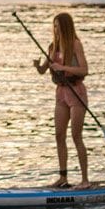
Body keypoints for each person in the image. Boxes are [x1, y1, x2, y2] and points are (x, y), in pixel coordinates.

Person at [34, 12, 90, 187]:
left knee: (76, 135)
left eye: (58, 26)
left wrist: (63, 67)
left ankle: (84, 180)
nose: (55, 30)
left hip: (76, 93)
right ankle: (63, 177)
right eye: (54, 26)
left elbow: (84, 70)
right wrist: (38, 66)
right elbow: (44, 70)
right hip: (61, 93)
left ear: (65, 27)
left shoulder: (75, 45)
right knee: (59, 135)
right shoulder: (52, 47)